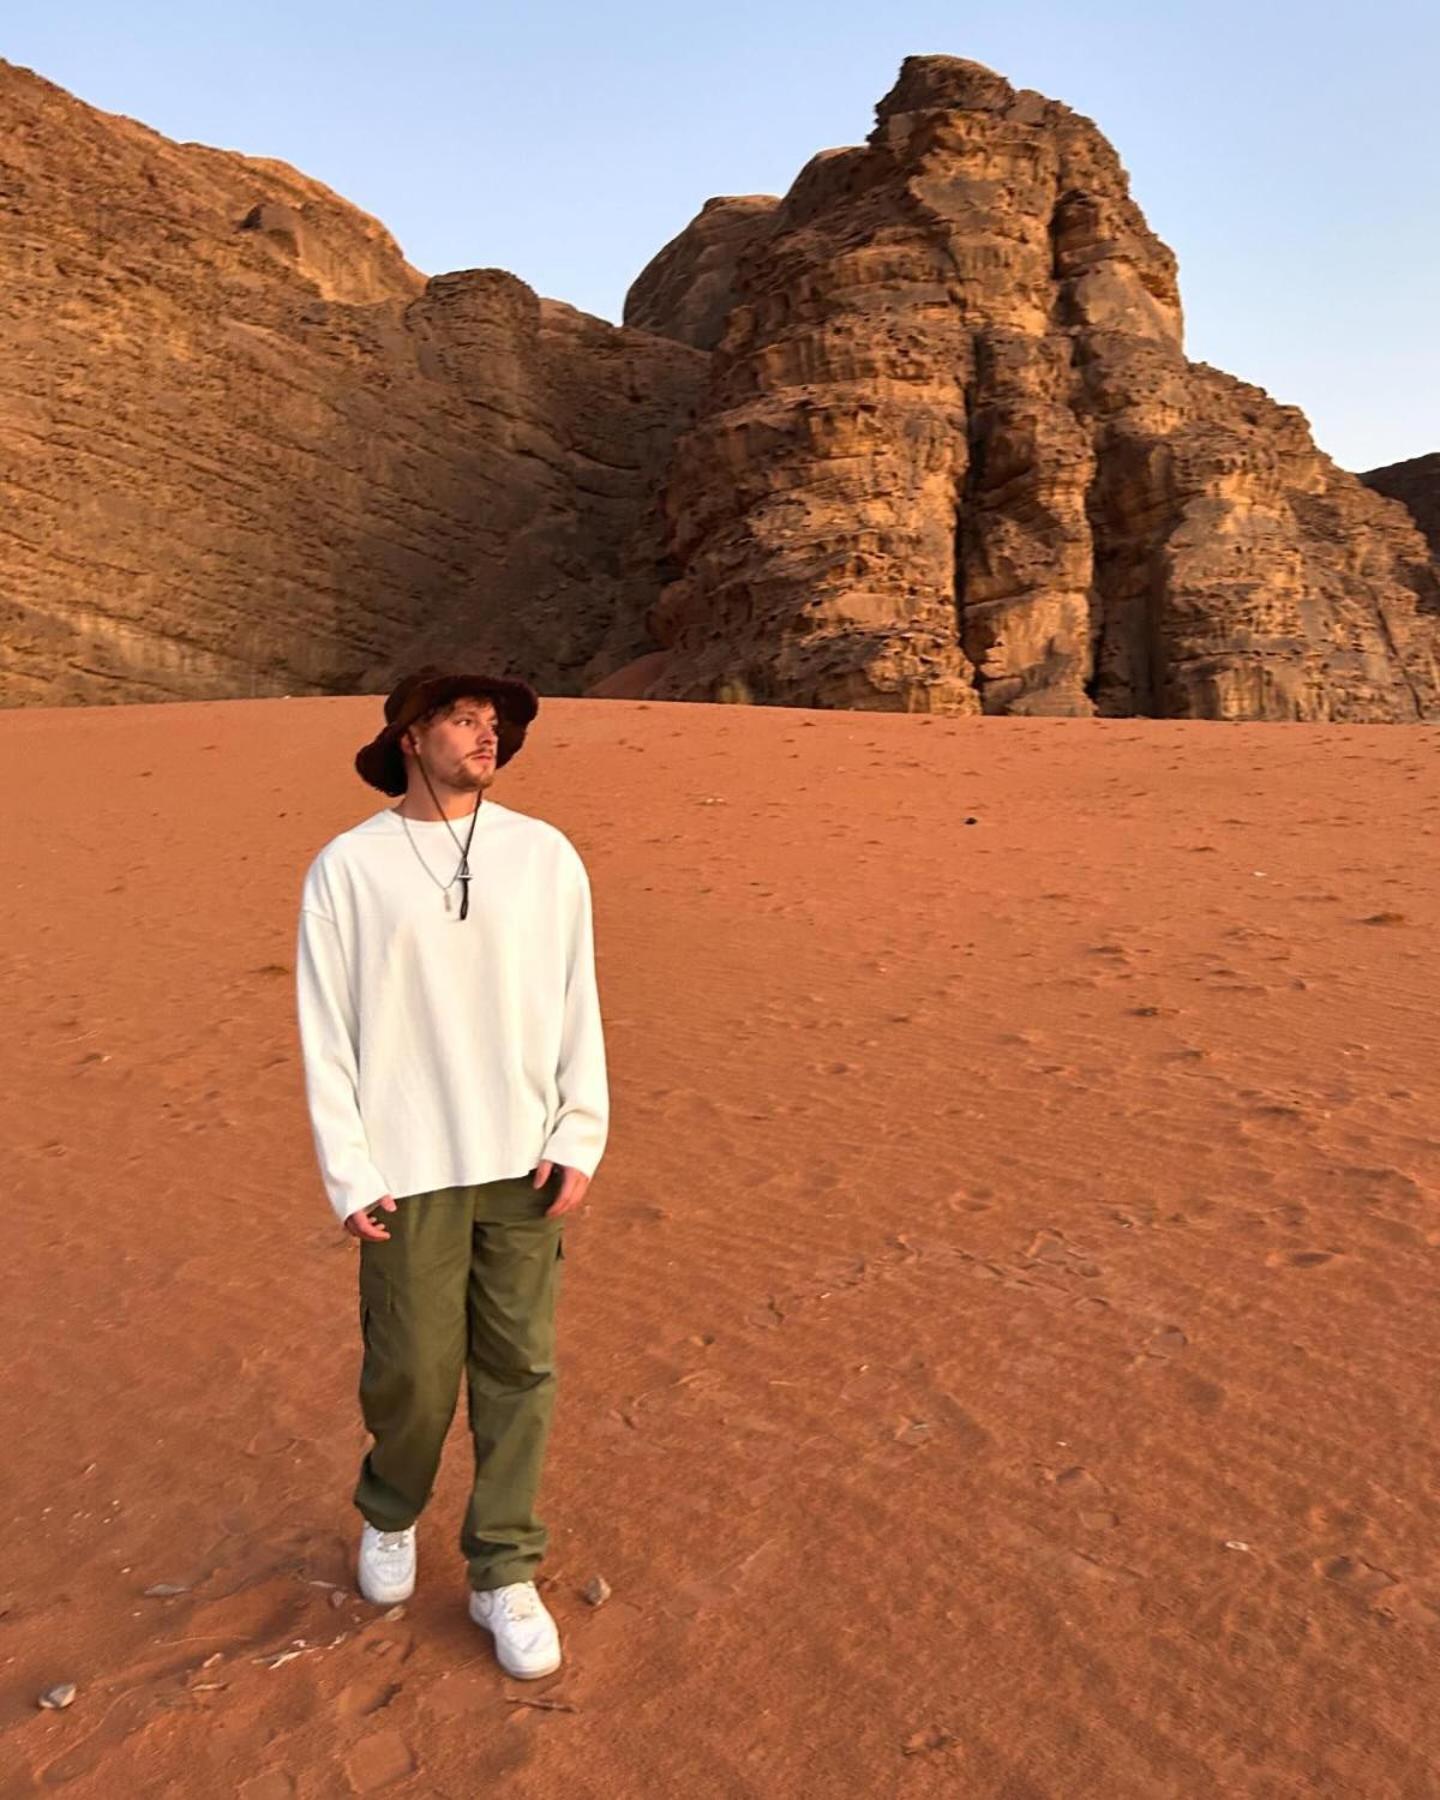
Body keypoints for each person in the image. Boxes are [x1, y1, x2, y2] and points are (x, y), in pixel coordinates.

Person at [293, 664, 609, 1680]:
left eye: (495, 723)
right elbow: (325, 1032)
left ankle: (502, 1569)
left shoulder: (544, 855)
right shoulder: (348, 868)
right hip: (407, 1170)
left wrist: (579, 1132)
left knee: (520, 1371)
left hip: (524, 1164)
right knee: (414, 1376)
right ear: (411, 737)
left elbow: (577, 998)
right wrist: (349, 1171)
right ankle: (391, 1510)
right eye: (464, 719)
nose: (487, 735)